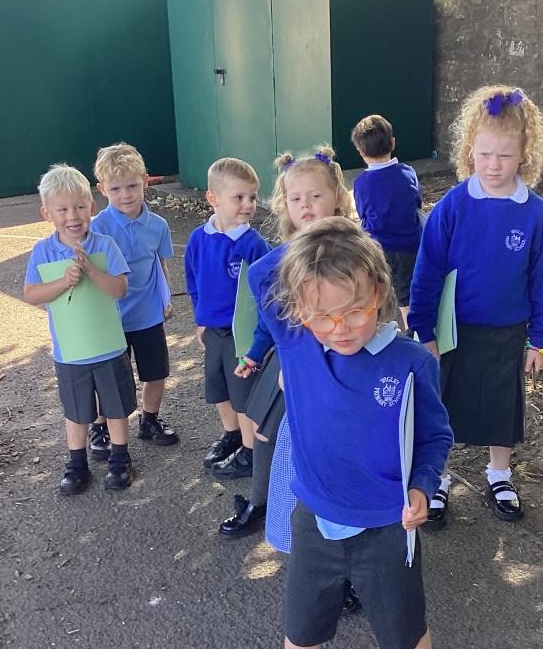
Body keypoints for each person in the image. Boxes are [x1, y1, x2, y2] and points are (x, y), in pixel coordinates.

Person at [250, 217, 475, 649]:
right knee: (302, 618)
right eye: (321, 313)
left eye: (353, 310)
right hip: (315, 515)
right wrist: (322, 232)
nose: (339, 327)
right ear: (299, 309)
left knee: (404, 620)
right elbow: (261, 274)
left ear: (378, 290)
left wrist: (423, 486)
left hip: (386, 524)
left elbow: (435, 435)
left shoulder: (410, 361)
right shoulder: (297, 341)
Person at [407, 85, 543, 527]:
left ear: (525, 156)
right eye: (485, 154)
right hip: (452, 331)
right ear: (469, 151)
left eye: (505, 156)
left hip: (507, 332)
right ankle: (436, 478)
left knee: (500, 407)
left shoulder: (534, 214)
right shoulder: (453, 206)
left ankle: (499, 474)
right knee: (443, 406)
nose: (493, 165)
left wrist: (539, 339)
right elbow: (428, 271)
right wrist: (424, 330)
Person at [219, 147, 355, 540]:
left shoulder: (353, 248)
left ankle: (329, 523)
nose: (306, 205)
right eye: (296, 199)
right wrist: (256, 353)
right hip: (291, 360)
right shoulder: (283, 258)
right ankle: (260, 502)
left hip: (340, 359)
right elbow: (266, 307)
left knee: (329, 441)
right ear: (285, 206)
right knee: (265, 432)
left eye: (315, 195)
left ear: (337, 197)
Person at [23, 164, 136, 495]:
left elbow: (120, 289)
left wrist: (91, 270)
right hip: (70, 352)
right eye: (62, 210)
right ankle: (76, 463)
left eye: (80, 207)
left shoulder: (105, 246)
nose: (72, 216)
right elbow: (31, 294)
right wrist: (62, 281)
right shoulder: (42, 251)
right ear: (47, 213)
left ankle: (120, 458)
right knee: (76, 411)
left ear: (92, 207)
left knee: (115, 407)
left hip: (109, 346)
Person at [89, 142, 178, 460]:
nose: (125, 194)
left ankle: (149, 420)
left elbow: (160, 263)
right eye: (115, 188)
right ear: (102, 189)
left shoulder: (158, 226)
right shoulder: (96, 228)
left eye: (132, 186)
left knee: (156, 374)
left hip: (148, 314)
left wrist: (166, 296)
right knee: (110, 379)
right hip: (111, 318)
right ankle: (100, 426)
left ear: (145, 182)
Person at [184, 157, 269, 477]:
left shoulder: (253, 244)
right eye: (239, 197)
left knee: (242, 393)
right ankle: (232, 435)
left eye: (252, 197)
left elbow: (267, 291)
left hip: (241, 334)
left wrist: (258, 337)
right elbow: (193, 279)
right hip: (213, 331)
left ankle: (250, 451)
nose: (248, 205)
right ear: (213, 198)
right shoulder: (198, 238)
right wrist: (200, 318)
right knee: (218, 387)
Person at [350, 114, 422, 328]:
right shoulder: (408, 173)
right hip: (409, 246)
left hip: (378, 249)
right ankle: (412, 332)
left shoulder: (361, 183)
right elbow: (417, 203)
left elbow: (362, 214)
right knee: (406, 296)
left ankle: (377, 330)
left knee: (375, 293)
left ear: (361, 151)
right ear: (392, 142)